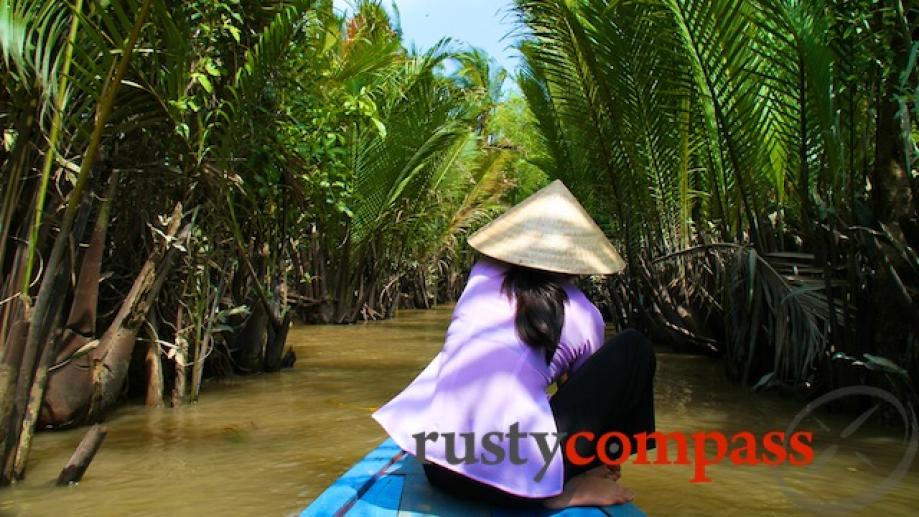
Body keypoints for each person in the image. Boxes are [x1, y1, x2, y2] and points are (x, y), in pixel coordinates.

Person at [372, 180, 656, 509]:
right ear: (577, 261)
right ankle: (566, 490)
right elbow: (591, 402)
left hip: (437, 466)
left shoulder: (481, 276)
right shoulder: (583, 314)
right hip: (514, 486)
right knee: (634, 348)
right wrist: (598, 459)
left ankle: (562, 477)